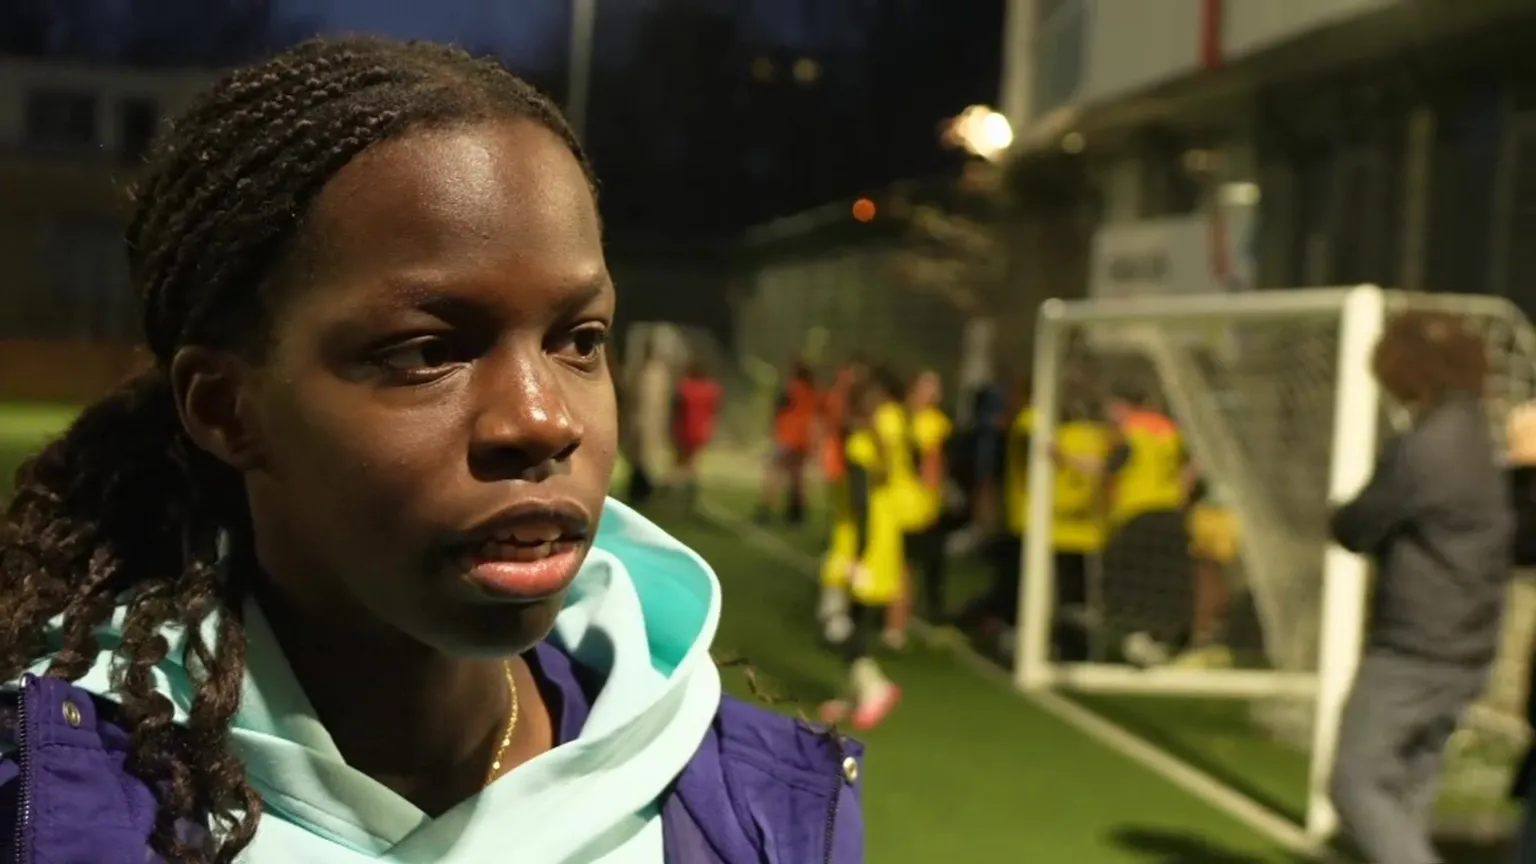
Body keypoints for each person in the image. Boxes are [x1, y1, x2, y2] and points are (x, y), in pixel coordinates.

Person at [0, 38, 863, 864]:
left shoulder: (755, 810)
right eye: (426, 352)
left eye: (580, 338)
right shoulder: (51, 798)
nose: (541, 418)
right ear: (228, 409)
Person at [1326, 311, 1509, 864]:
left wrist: (1337, 514)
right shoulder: (1478, 431)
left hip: (1418, 645)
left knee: (1354, 783)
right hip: (1470, 646)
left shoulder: (1429, 446)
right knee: (1409, 788)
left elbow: (1358, 526)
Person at [817, 379, 903, 730]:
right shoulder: (877, 445)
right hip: (880, 540)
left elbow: (860, 503)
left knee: (832, 623)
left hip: (859, 545)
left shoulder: (857, 447)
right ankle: (856, 692)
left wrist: (858, 558)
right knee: (855, 617)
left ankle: (874, 687)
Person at [903, 370, 955, 623]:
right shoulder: (904, 418)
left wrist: (938, 488)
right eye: (927, 386)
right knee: (904, 560)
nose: (932, 393)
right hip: (904, 498)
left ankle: (934, 607)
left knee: (933, 558)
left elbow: (936, 462)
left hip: (928, 501)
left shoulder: (938, 423)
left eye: (935, 387)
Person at [755, 360, 818, 525]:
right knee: (797, 477)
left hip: (787, 436)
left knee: (774, 474)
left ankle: (765, 510)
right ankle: (797, 513)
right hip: (803, 438)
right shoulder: (812, 391)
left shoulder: (792, 388)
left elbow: (779, 405)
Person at [669, 358, 722, 509]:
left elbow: (677, 409)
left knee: (679, 462)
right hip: (701, 431)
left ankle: (676, 490)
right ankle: (690, 489)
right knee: (692, 462)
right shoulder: (712, 389)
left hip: (684, 429)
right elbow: (715, 410)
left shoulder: (685, 388)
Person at [627, 336, 673, 506]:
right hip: (639, 421)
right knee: (638, 458)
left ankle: (646, 491)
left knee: (648, 458)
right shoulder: (640, 370)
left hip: (651, 422)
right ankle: (638, 490)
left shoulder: (657, 373)